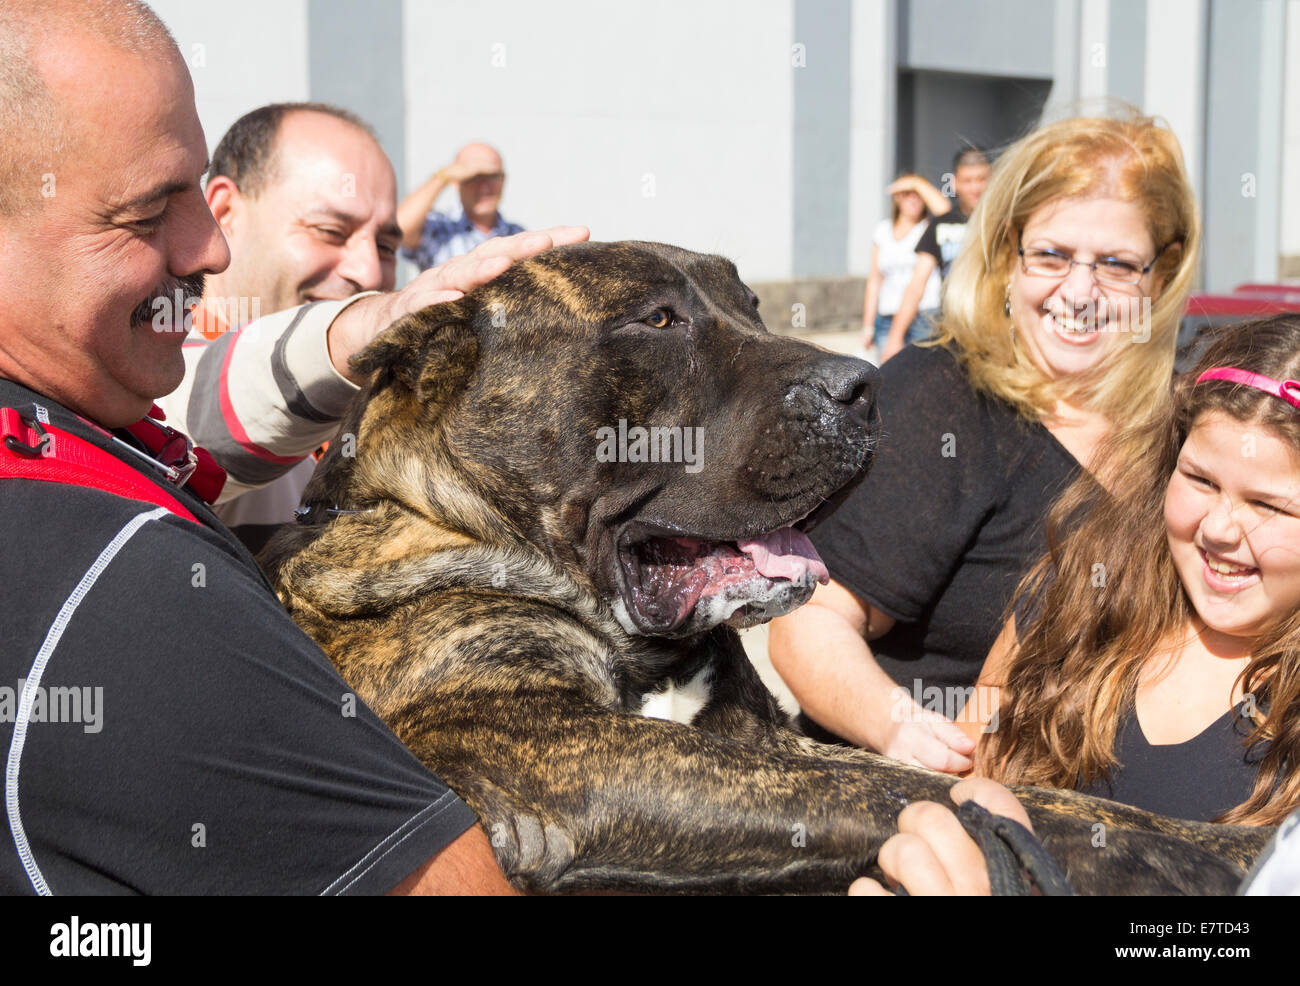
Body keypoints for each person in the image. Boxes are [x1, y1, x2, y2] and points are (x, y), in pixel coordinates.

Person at [0, 0, 585, 894]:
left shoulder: (100, 399)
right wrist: (366, 330)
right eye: (148, 209)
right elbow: (220, 405)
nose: (206, 244)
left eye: (387, 243)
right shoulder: (115, 546)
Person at [768, 111, 1199, 774]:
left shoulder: (1186, 431)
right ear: (1007, 255)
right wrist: (911, 738)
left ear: (1162, 273)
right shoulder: (943, 396)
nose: (1078, 293)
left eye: (1116, 264)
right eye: (1052, 255)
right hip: (918, 807)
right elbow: (811, 623)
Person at [856, 313, 1300, 894]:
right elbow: (962, 803)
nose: (1219, 528)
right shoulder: (1077, 600)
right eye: (1200, 480)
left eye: (1269, 505)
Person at [170, 102, 405, 554]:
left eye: (387, 245)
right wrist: (342, 339)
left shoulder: (377, 398)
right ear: (223, 212)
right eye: (330, 231)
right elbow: (194, 427)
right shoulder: (151, 371)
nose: (370, 273)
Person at [878, 147, 990, 363]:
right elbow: (917, 284)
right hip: (953, 330)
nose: (975, 187)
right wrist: (895, 337)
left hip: (994, 329)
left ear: (991, 179)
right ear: (955, 182)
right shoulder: (942, 224)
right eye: (967, 180)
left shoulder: (1004, 221)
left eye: (981, 179)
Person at [397, 142, 524, 272]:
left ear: (503, 180)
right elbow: (399, 230)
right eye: (474, 177)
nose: (484, 187)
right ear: (457, 181)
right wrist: (443, 176)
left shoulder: (517, 235)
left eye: (492, 177)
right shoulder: (440, 229)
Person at [860, 174, 947, 364]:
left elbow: (947, 212)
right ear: (897, 198)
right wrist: (868, 325)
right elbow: (874, 281)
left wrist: (916, 182)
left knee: (922, 378)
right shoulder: (883, 230)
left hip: (924, 317)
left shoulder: (929, 229)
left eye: (918, 194)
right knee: (888, 379)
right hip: (887, 317)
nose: (914, 198)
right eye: (907, 194)